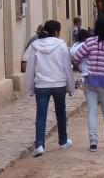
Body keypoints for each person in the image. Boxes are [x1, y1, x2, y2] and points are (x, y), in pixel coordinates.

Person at [25, 19, 74, 157]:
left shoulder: (35, 46)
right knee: (61, 113)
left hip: (41, 85)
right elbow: (67, 67)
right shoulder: (62, 45)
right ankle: (63, 141)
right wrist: (71, 87)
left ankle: (39, 145)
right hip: (59, 84)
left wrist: (29, 89)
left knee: (41, 115)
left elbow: (30, 69)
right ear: (57, 32)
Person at [73, 15, 104, 151]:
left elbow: (77, 57)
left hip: (90, 80)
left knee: (92, 111)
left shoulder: (90, 42)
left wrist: (80, 65)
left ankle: (93, 142)